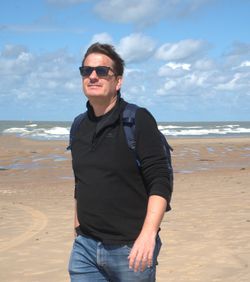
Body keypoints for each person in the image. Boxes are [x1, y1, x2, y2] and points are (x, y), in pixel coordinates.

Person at [68, 42, 173, 282]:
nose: (93, 76)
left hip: (131, 248)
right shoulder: (78, 126)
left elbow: (160, 180)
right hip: (85, 249)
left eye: (102, 71)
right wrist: (77, 230)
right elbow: (81, 181)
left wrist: (148, 234)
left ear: (118, 81)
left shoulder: (138, 120)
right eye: (86, 71)